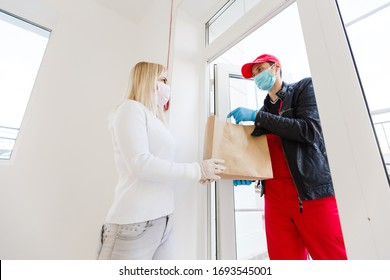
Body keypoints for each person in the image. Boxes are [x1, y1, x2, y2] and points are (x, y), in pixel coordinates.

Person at [97, 61, 226, 260]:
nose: (168, 86)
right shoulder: (130, 109)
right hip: (133, 222)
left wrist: (202, 171)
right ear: (147, 80)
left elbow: (163, 164)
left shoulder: (156, 119)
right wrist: (197, 170)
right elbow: (140, 164)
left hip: (163, 220)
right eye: (163, 79)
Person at [228, 54, 347, 260]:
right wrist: (248, 172)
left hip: (310, 192)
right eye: (254, 74)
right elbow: (265, 154)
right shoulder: (264, 112)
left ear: (276, 67)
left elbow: (309, 130)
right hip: (274, 197)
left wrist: (258, 116)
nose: (257, 76)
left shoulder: (303, 88)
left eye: (260, 69)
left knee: (332, 257)